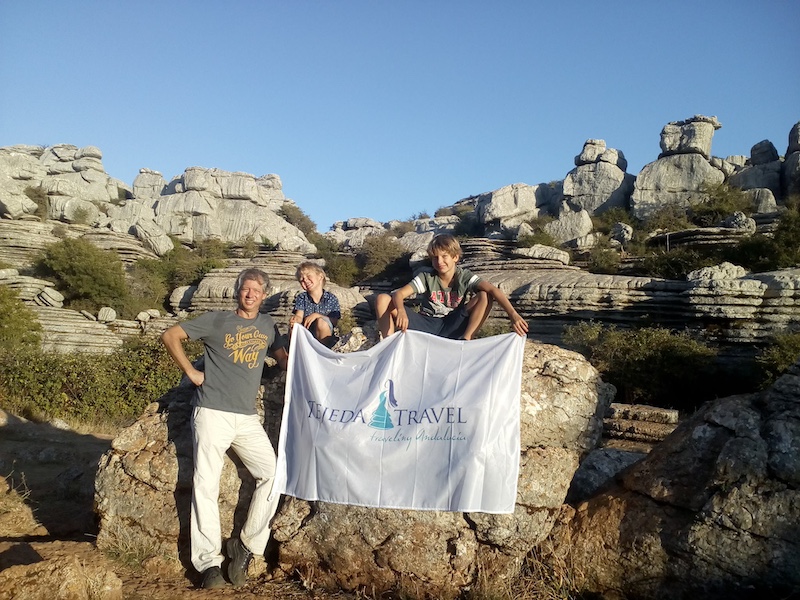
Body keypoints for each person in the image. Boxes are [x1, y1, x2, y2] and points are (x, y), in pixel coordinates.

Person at [160, 268, 289, 589]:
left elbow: (284, 360)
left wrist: (303, 336)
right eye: (246, 289)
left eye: (256, 291)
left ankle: (245, 545)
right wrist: (190, 371)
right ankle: (208, 564)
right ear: (238, 291)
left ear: (264, 295)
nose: (250, 295)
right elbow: (170, 335)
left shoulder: (268, 326)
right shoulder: (216, 320)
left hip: (246, 417)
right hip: (211, 411)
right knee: (205, 484)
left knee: (272, 474)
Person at [375, 233, 529, 340]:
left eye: (444, 256)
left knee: (485, 294)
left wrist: (513, 315)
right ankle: (389, 344)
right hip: (426, 324)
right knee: (383, 298)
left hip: (452, 324)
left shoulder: (464, 276)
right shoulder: (427, 277)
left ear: (455, 257)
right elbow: (399, 294)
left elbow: (493, 290)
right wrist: (401, 311)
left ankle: (466, 339)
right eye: (435, 258)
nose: (439, 262)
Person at [289, 261, 341, 348]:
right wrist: (295, 320)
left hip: (324, 335)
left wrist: (317, 316)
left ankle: (322, 353)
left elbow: (334, 321)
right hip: (308, 333)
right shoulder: (302, 297)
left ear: (320, 277)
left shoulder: (331, 298)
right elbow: (299, 316)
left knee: (321, 322)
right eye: (302, 280)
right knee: (294, 327)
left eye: (309, 276)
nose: (305, 280)